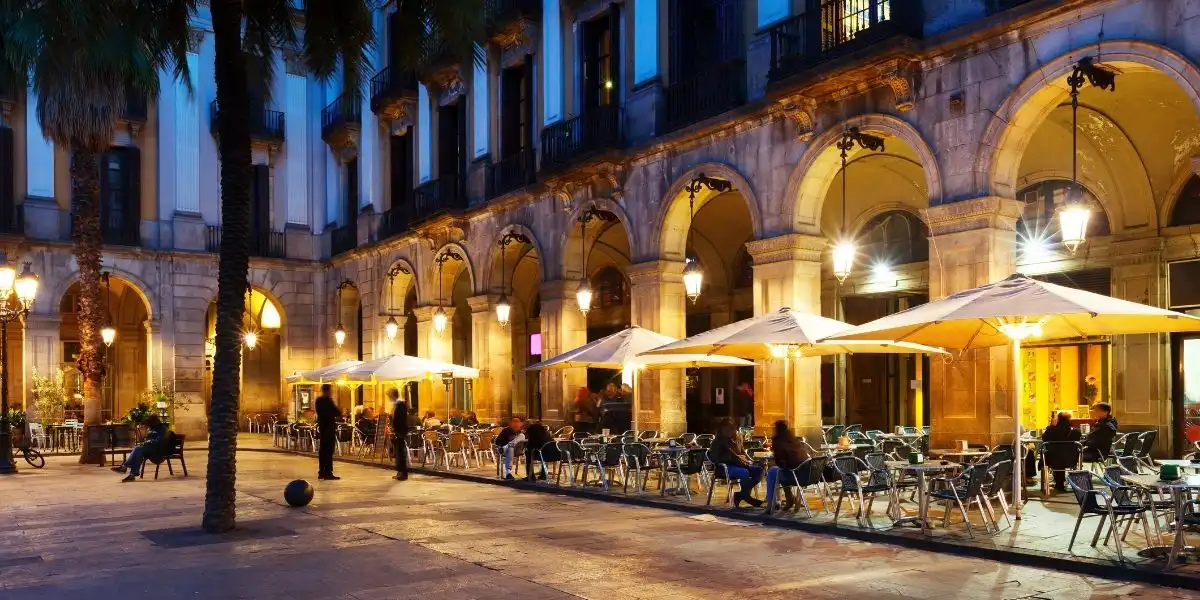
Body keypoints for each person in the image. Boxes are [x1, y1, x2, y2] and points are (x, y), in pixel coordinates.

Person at [708, 418, 763, 508]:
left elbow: (742, 452)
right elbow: (714, 458)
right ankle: (746, 497)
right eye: (727, 429)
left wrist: (748, 460)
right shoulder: (717, 441)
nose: (730, 432)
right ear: (722, 430)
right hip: (725, 467)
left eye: (732, 429)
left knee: (759, 471)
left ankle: (741, 495)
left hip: (740, 464)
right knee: (744, 473)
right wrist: (729, 457)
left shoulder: (737, 438)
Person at [764, 420, 809, 511]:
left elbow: (780, 463)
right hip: (808, 474)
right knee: (780, 471)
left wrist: (774, 458)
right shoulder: (794, 440)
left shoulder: (779, 442)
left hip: (796, 477)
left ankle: (770, 504)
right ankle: (789, 498)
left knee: (772, 472)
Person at [113, 415, 168, 482]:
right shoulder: (151, 428)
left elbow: (160, 441)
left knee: (138, 449)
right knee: (138, 451)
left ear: (154, 422)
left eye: (150, 423)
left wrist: (148, 441)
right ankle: (131, 474)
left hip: (158, 451)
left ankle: (125, 468)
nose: (149, 425)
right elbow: (147, 439)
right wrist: (146, 437)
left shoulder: (163, 429)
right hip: (149, 449)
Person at [1041, 411, 1082, 492]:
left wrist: (1052, 425)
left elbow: (1044, 439)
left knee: (1056, 455)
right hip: (1071, 460)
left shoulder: (1050, 430)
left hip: (1052, 459)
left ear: (1058, 419)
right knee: (1063, 454)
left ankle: (1058, 484)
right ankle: (1064, 483)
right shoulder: (1076, 432)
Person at [315, 384, 340, 480]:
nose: (331, 392)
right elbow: (336, 412)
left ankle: (322, 471)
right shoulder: (327, 401)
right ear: (327, 391)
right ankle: (327, 472)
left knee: (323, 451)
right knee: (328, 451)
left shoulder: (319, 401)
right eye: (330, 390)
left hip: (323, 428)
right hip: (328, 428)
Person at [494, 416, 526, 480]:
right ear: (510, 423)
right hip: (503, 450)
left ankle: (507, 446)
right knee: (510, 448)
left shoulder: (521, 432)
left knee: (522, 436)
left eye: (517, 422)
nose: (515, 423)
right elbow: (497, 442)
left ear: (521, 423)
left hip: (517, 450)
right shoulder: (507, 430)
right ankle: (508, 473)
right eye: (514, 422)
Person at [389, 388, 410, 481]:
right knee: (398, 453)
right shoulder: (397, 404)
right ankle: (400, 472)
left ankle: (403, 473)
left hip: (400, 432)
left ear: (393, 395)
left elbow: (400, 419)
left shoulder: (400, 405)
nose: (389, 397)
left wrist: (396, 429)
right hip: (398, 431)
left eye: (389, 395)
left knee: (401, 453)